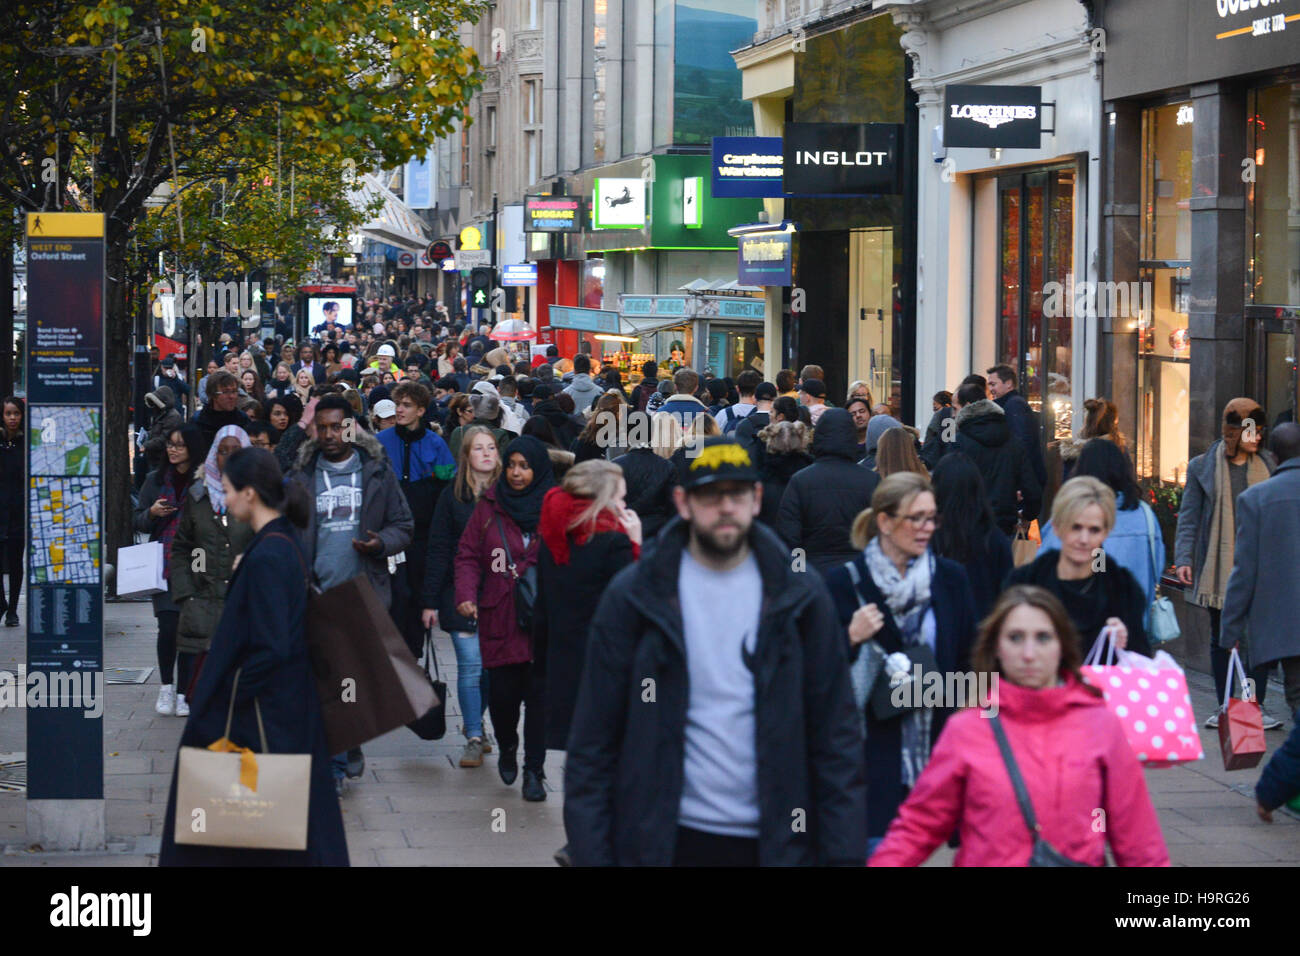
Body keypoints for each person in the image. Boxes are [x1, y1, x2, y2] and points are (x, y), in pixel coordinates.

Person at [563, 437, 865, 866]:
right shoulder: (635, 596)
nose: (726, 507)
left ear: (756, 499)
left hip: (778, 842)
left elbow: (837, 740)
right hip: (666, 841)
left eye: (737, 494)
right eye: (710, 495)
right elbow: (593, 744)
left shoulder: (800, 596)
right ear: (683, 502)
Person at [868, 585, 1169, 867]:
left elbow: (1139, 843)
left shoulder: (1100, 726)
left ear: (1062, 645)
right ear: (996, 647)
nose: (1028, 653)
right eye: (1015, 638)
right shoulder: (967, 729)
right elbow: (919, 827)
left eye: (1043, 638)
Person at [159, 447, 349, 866]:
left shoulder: (269, 553)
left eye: (227, 491)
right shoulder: (279, 543)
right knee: (297, 829)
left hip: (263, 716)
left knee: (251, 830)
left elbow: (270, 645)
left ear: (248, 493)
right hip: (284, 711)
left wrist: (228, 699)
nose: (223, 501)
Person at [822, 472, 978, 847]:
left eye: (932, 517)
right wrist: (849, 638)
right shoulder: (844, 584)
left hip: (938, 761)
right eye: (916, 518)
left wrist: (946, 697)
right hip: (871, 762)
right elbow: (816, 673)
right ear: (885, 522)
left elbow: (971, 662)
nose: (927, 528)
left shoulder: (951, 580)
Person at [287, 394, 414, 792]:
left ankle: (343, 754)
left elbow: (404, 524)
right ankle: (337, 763)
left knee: (348, 680)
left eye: (336, 426)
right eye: (320, 427)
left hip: (362, 592)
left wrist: (381, 544)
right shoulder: (303, 473)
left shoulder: (376, 470)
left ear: (351, 427)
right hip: (316, 591)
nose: (328, 434)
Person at [454, 437, 556, 802]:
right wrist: (466, 595)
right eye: (511, 464)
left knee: (540, 703)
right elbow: (467, 554)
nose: (515, 472)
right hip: (501, 617)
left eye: (524, 466)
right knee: (503, 700)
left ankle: (534, 771)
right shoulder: (489, 506)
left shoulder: (556, 507)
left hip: (544, 621)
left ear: (538, 469)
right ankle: (508, 746)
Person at [1173, 397, 1279, 728]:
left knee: (1257, 641)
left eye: (1259, 429)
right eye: (1250, 429)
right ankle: (1224, 706)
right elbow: (1189, 517)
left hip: (1260, 567)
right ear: (1232, 431)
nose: (1257, 436)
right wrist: (1184, 558)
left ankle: (1252, 708)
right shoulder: (1202, 467)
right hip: (1218, 569)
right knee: (1222, 638)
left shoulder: (1271, 465)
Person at [535, 460, 641, 756]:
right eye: (620, 497)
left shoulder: (552, 536)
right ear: (603, 500)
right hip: (606, 661)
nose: (624, 505)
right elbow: (633, 601)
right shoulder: (614, 543)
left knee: (582, 754)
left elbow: (542, 606)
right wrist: (636, 544)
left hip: (563, 662)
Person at [421, 426, 500, 768]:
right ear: (466, 455)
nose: (486, 453)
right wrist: (429, 600)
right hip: (461, 589)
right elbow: (438, 548)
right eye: (478, 448)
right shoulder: (452, 497)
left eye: (491, 447)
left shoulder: (510, 493)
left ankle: (477, 721)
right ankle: (472, 734)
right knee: (470, 665)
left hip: (500, 593)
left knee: (490, 672)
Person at [1007, 476, 1149, 656]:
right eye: (1076, 527)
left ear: (1106, 532)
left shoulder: (1123, 590)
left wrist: (1125, 644)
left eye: (1094, 530)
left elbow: (1139, 662)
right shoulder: (1025, 583)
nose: (1084, 539)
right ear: (1058, 527)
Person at [169, 424, 256, 710]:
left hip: (243, 608)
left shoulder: (258, 498)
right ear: (212, 455)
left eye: (236, 450)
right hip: (202, 606)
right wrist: (185, 593)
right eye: (223, 451)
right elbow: (182, 546)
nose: (229, 457)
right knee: (204, 700)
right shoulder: (198, 497)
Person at [1219, 421, 1300, 722]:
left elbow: (1244, 572)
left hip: (1288, 630)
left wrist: (1230, 631)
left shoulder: (1256, 500)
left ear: (1274, 457)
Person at [376, 381, 456, 657]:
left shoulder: (437, 444)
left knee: (418, 593)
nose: (399, 410)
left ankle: (413, 651)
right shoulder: (381, 442)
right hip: (390, 533)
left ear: (421, 410)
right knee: (397, 595)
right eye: (398, 404)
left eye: (406, 405)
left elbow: (448, 487)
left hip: (424, 534)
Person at [1039, 439, 1163, 612]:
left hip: (1081, 625)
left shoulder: (1070, 517)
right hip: (1134, 624)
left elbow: (1044, 570)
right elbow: (1156, 567)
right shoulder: (1145, 516)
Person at [133, 424, 205, 714]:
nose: (173, 450)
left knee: (188, 630)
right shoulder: (155, 480)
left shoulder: (204, 482)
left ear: (192, 449)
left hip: (194, 563)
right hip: (161, 562)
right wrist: (150, 513)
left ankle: (184, 693)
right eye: (170, 445)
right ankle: (166, 686)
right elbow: (137, 521)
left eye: (180, 445)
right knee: (168, 627)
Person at [776, 408, 880, 574]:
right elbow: (879, 534)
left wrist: (799, 573)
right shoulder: (871, 480)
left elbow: (790, 538)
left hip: (814, 572)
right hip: (858, 572)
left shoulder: (801, 481)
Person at [949, 382, 1041, 536]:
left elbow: (949, 484)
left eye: (955, 409)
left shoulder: (959, 442)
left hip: (967, 525)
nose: (952, 415)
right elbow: (1031, 487)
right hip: (1004, 524)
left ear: (968, 406)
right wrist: (1028, 515)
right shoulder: (1013, 441)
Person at [930, 453, 1012, 622]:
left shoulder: (929, 535)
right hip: (984, 629)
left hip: (941, 626)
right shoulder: (994, 538)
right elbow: (1007, 593)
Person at [613, 411, 677, 541]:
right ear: (652, 433)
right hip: (658, 534)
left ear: (627, 434)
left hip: (623, 531)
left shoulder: (615, 466)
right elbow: (673, 507)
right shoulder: (667, 467)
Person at [987, 364, 1046, 488]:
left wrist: (1018, 482)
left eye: (993, 384)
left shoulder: (1014, 405)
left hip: (1023, 482)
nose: (990, 389)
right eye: (989, 385)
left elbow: (1022, 444)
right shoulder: (1010, 404)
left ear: (1008, 383)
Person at [755, 419, 813, 530]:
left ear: (771, 441)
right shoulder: (811, 473)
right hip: (802, 541)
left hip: (770, 539)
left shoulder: (760, 478)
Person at [0, 398, 21, 626]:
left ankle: (13, 610)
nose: (12, 418)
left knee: (16, 562)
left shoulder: (25, 443)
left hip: (17, 511)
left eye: (16, 413)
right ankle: (2, 602)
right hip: (1, 510)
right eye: (8, 413)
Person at [194, 370, 252, 446]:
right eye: (226, 392)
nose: (232, 396)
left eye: (234, 391)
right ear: (213, 395)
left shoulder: (243, 420)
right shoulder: (199, 421)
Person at [918, 391, 955, 470]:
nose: (934, 412)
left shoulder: (942, 416)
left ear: (947, 406)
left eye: (936, 408)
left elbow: (930, 435)